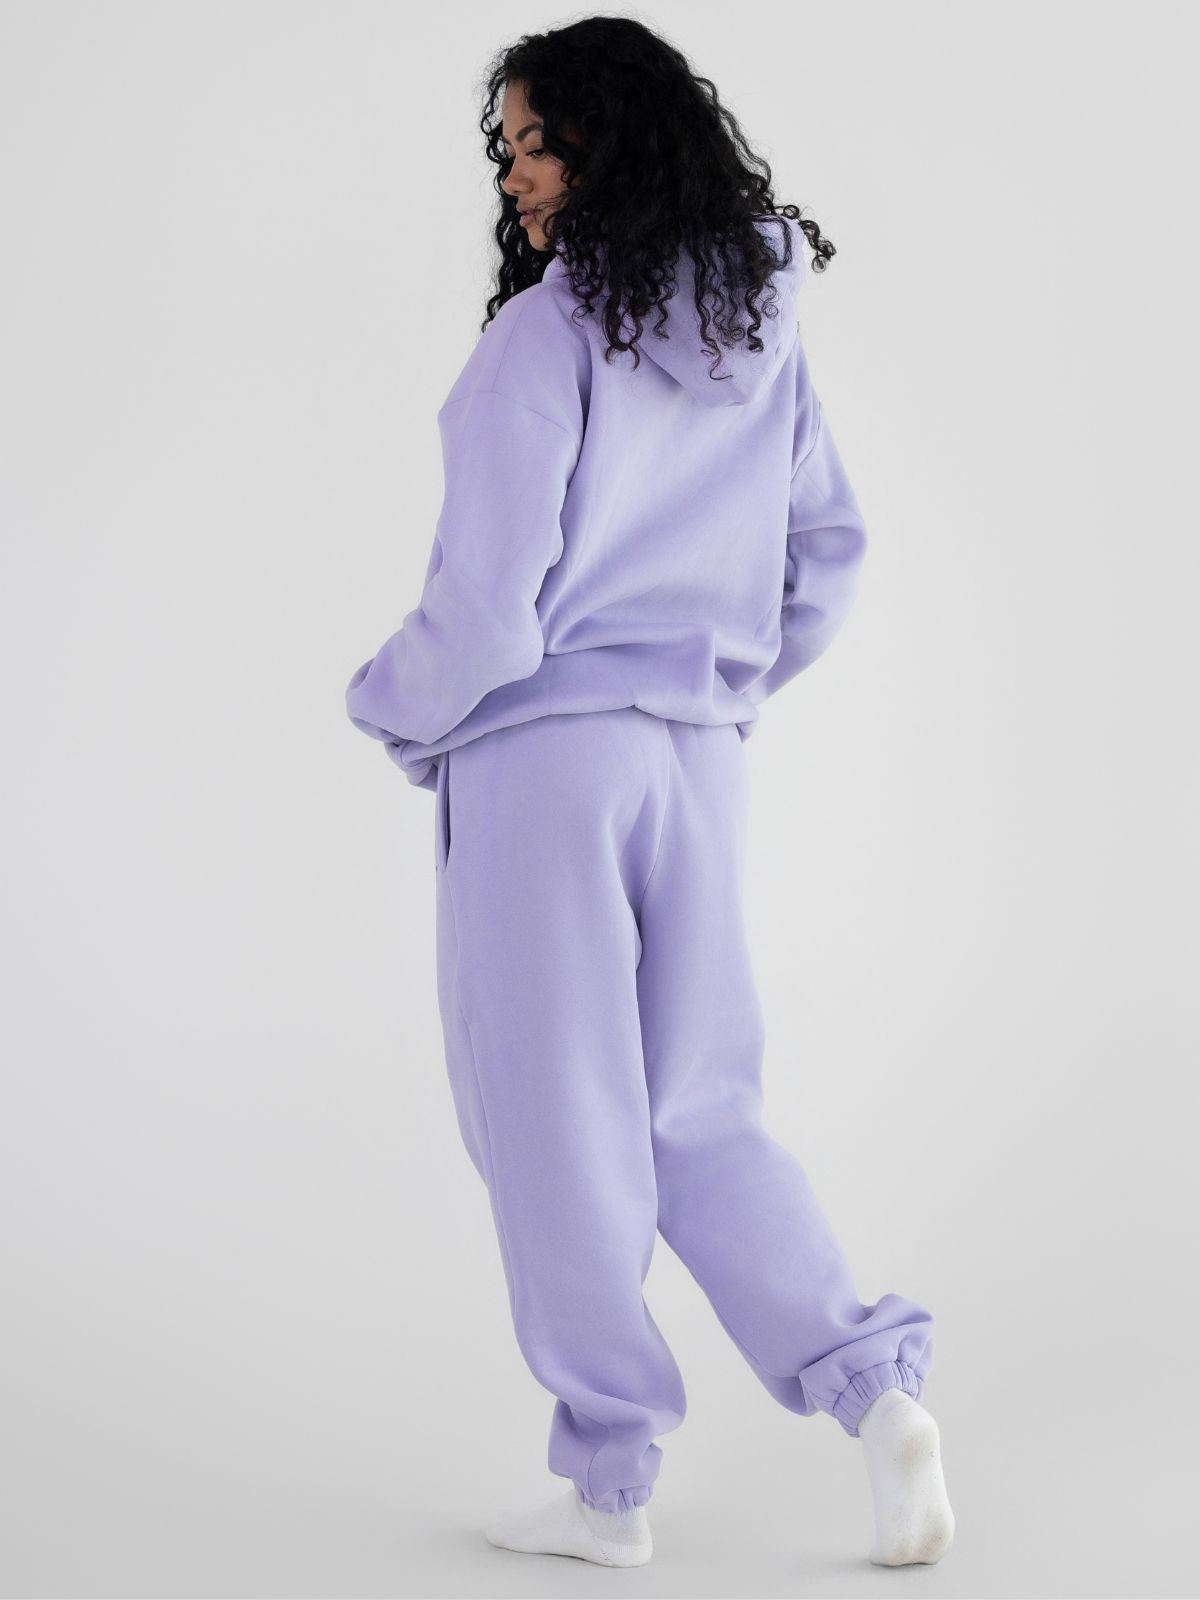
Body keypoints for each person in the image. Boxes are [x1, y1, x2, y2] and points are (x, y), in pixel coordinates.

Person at [344, 15, 954, 1571]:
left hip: (545, 761)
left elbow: (487, 617)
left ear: (608, 145)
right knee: (701, 1108)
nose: (515, 175)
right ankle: (875, 1392)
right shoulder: (760, 338)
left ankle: (611, 1488)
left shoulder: (541, 342)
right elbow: (829, 556)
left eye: (537, 143)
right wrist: (715, 683)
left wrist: (391, 708)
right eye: (505, 149)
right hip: (696, 761)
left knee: (556, 1120)